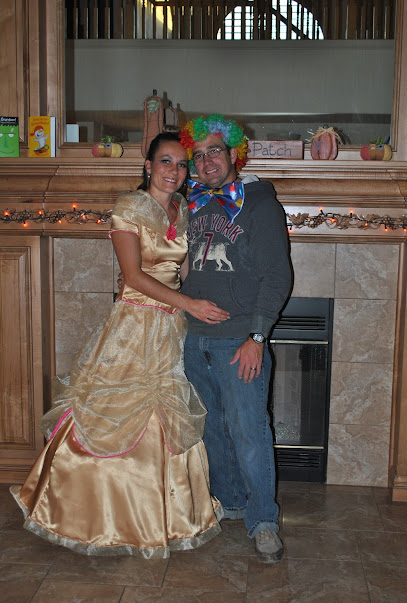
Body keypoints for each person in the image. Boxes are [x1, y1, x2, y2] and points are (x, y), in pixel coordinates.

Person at [10, 132, 229, 558]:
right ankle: (93, 517)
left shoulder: (182, 208)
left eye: (182, 164)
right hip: (134, 324)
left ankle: (163, 516)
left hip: (171, 327)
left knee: (166, 417)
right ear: (148, 166)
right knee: (114, 413)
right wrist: (190, 304)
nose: (175, 171)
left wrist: (205, 299)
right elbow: (133, 276)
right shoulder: (129, 206)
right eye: (166, 161)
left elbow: (182, 270)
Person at [179, 114, 293, 564]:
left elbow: (277, 277)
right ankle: (231, 502)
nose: (207, 161)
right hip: (194, 341)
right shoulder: (189, 203)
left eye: (215, 151)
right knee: (211, 430)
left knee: (249, 433)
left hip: (240, 340)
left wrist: (256, 337)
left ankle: (264, 521)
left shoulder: (259, 204)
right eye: (198, 155)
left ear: (233, 154)